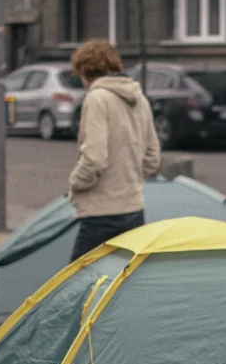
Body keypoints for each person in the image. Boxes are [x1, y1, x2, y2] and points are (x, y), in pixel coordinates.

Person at [66, 40, 160, 261]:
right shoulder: (140, 99)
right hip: (133, 209)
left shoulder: (97, 98)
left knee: (78, 282)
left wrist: (75, 182)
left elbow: (94, 159)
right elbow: (152, 158)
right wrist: (129, 177)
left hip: (100, 212)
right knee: (122, 283)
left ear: (85, 70)